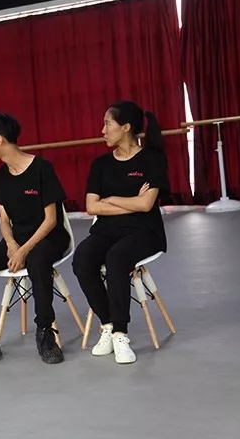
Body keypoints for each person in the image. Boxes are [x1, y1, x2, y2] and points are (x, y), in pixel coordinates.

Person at [0, 113, 71, 370]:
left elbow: (51, 220)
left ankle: (45, 333)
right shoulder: (1, 175)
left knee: (37, 258)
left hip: (49, 238)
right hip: (18, 240)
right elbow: (4, 220)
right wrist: (12, 245)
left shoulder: (42, 168)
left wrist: (23, 250)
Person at [72, 100, 169, 365]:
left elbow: (146, 206)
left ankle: (120, 333)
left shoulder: (152, 160)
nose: (102, 130)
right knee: (82, 259)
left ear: (126, 127)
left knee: (117, 258)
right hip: (106, 231)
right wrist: (131, 202)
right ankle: (108, 324)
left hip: (144, 232)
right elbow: (92, 206)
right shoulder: (101, 164)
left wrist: (112, 199)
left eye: (107, 124)